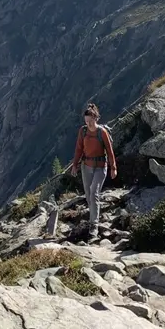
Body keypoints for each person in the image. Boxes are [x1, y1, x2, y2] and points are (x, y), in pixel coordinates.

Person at [69, 103, 117, 241]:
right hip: (86, 167)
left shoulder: (102, 133)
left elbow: (109, 151)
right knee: (89, 195)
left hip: (100, 167)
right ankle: (94, 216)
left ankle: (94, 226)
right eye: (86, 122)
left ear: (96, 118)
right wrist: (75, 165)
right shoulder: (83, 131)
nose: (88, 124)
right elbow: (79, 149)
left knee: (94, 193)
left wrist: (113, 167)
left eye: (90, 121)